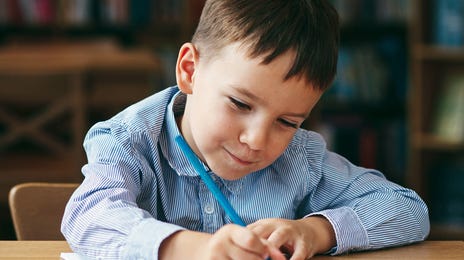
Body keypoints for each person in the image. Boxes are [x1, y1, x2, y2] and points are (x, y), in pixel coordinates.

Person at [61, 0, 430, 259]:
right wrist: (194, 250)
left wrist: (316, 232)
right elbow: (89, 216)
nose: (257, 140)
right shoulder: (128, 140)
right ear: (190, 70)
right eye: (239, 104)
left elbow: (406, 209)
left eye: (287, 122)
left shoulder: (300, 157)